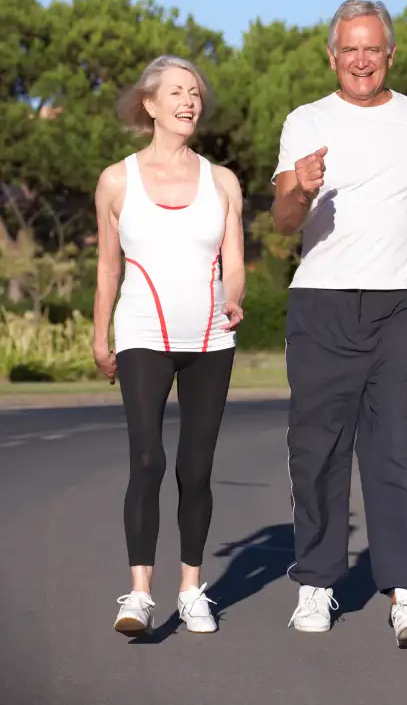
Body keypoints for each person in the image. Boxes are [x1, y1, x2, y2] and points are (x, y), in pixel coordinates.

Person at [272, 0, 407, 647]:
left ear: (390, 54)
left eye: (371, 48)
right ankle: (318, 583)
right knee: (317, 449)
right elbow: (284, 221)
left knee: (398, 447)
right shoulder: (305, 122)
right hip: (323, 301)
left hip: (403, 300)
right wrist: (298, 185)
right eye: (348, 49)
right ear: (332, 55)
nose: (360, 60)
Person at [93, 55, 245, 635]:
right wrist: (97, 330)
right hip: (141, 334)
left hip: (211, 337)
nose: (189, 101)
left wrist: (234, 297)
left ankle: (190, 588)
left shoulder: (222, 181)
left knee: (196, 467)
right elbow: (109, 266)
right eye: (178, 92)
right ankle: (138, 594)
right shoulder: (116, 180)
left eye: (196, 94)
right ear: (150, 104)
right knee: (147, 458)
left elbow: (234, 263)